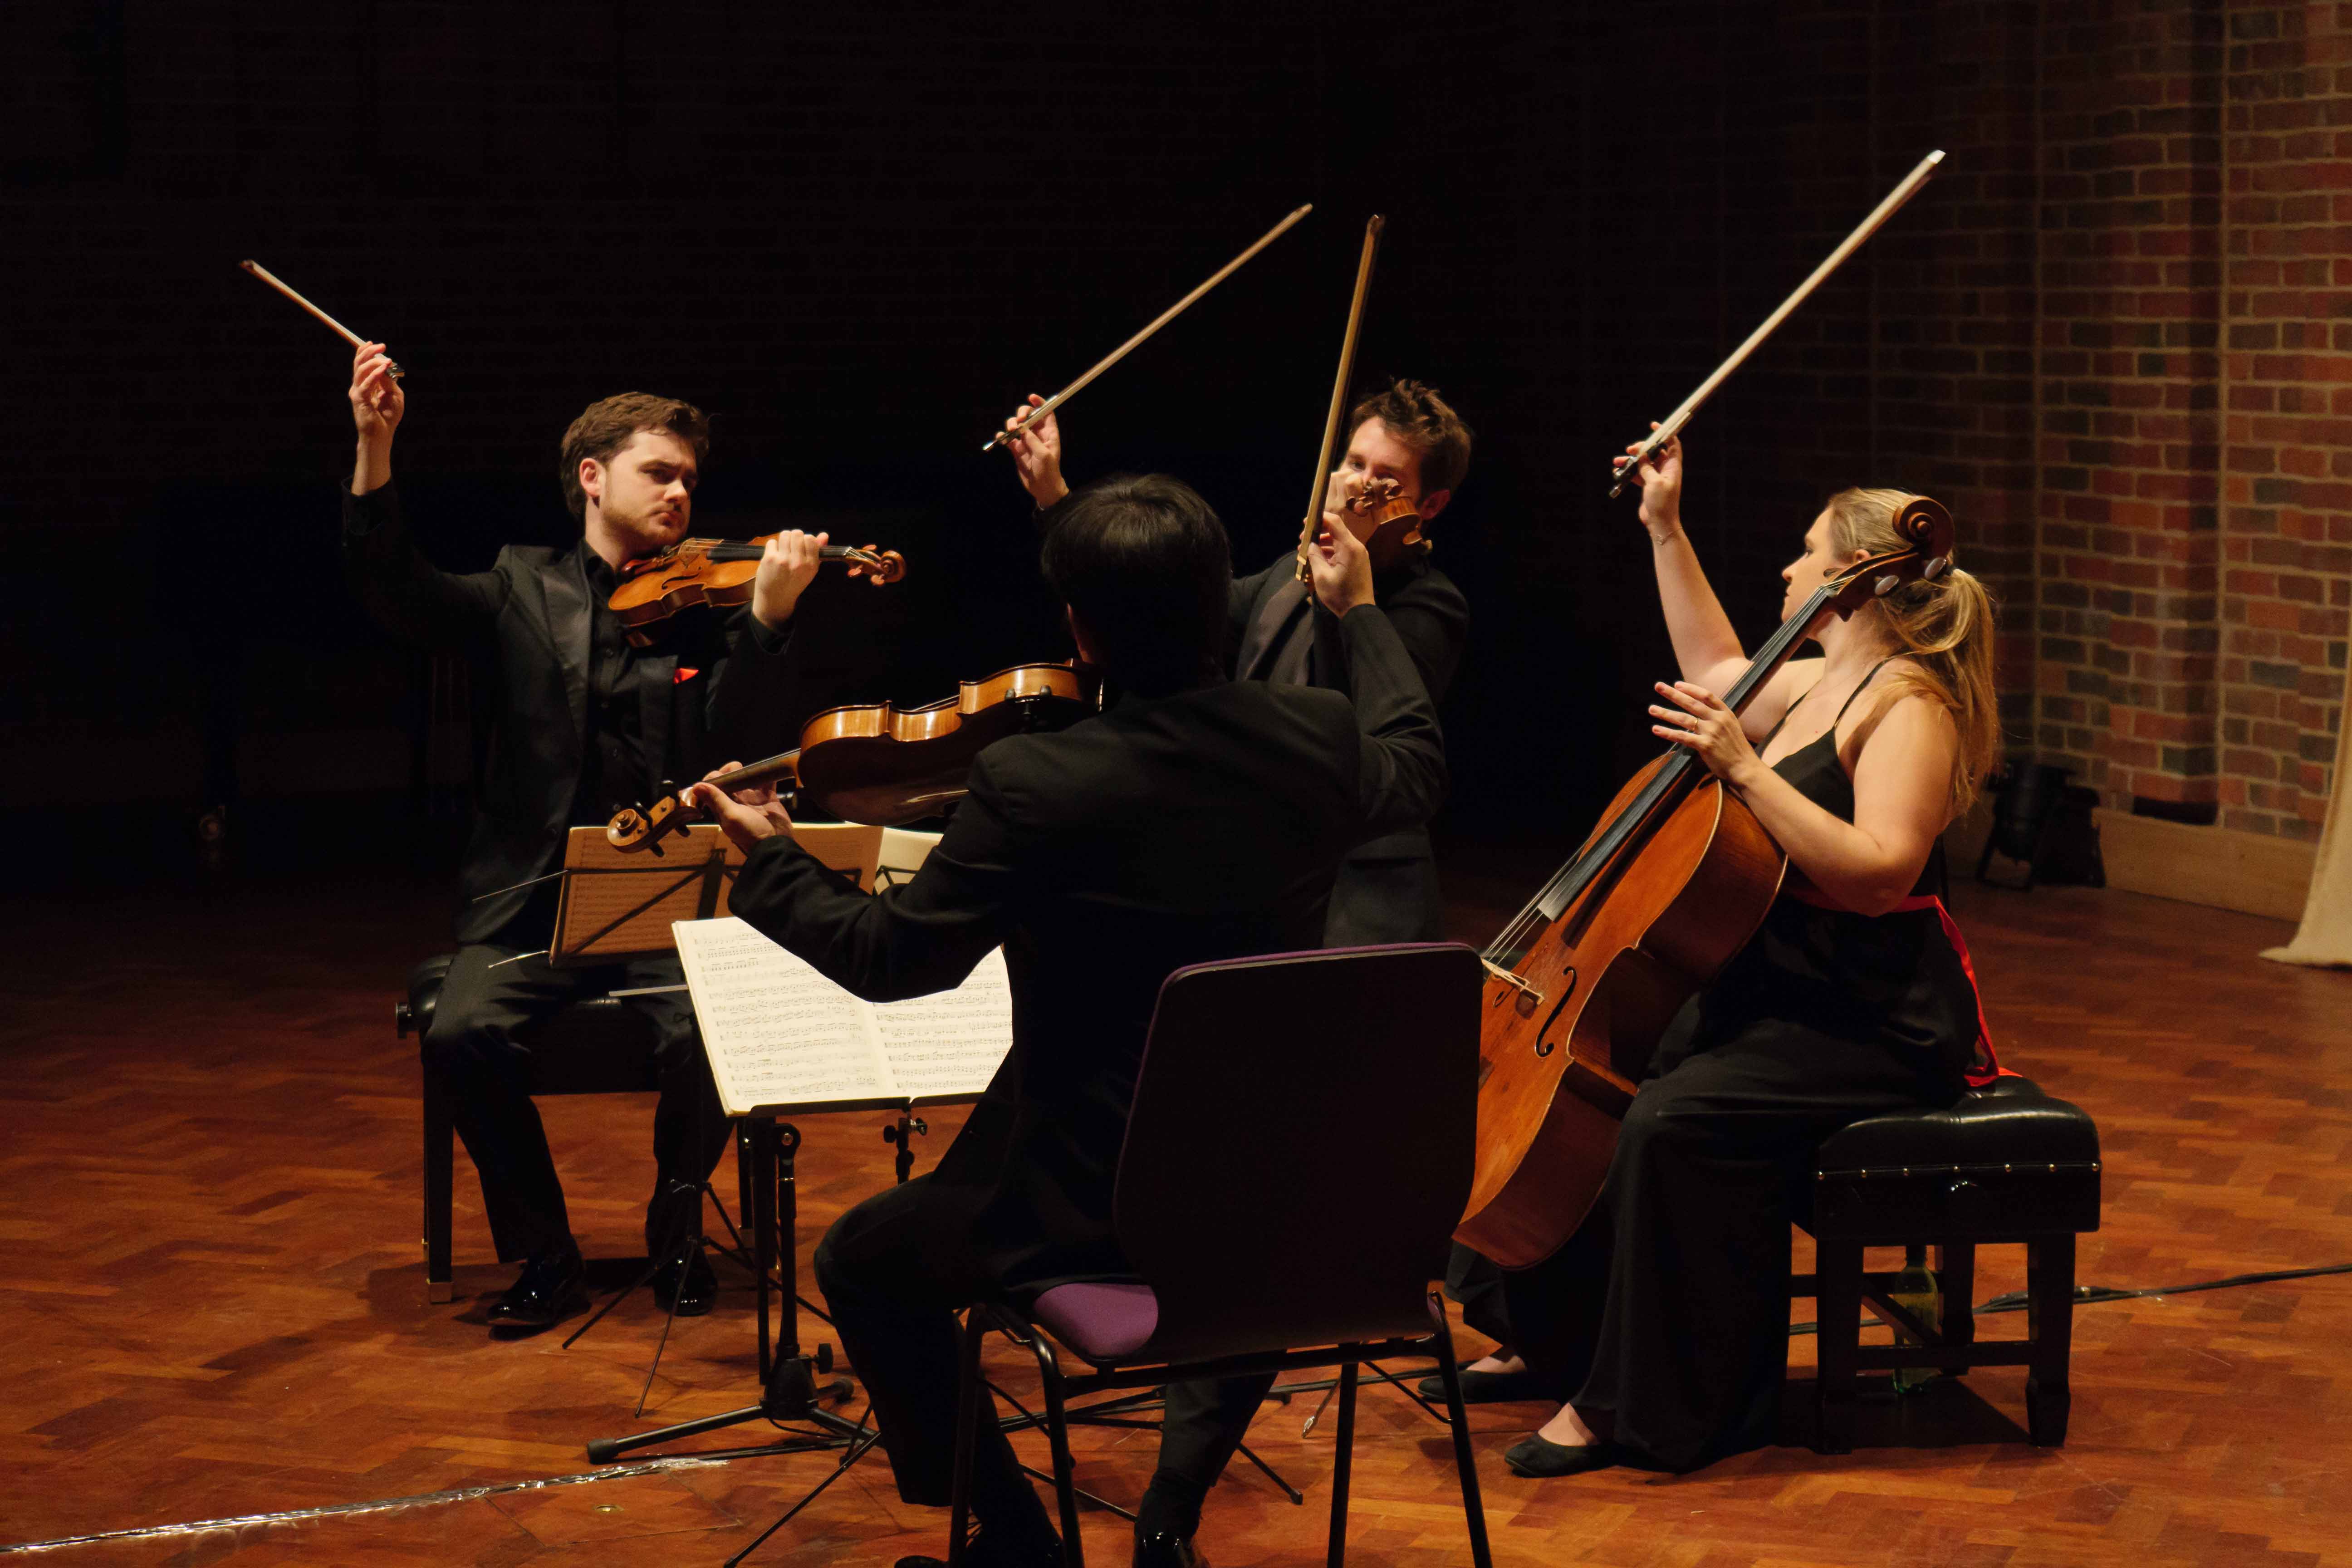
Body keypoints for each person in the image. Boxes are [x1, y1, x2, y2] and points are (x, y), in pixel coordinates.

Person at [689, 475, 1445, 1568]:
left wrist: (773, 866)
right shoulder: (1315, 737)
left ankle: (1014, 1541)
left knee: (862, 1258)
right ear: (1212, 607)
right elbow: (1415, 758)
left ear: (1079, 629)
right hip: (1280, 1200)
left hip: (1092, 1206)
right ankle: (1165, 1509)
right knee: (1229, 1274)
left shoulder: (1036, 779)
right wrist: (1359, 609)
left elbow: (890, 959)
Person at [1486, 428, 2001, 1478]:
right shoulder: (1812, 678)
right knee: (1614, 1085)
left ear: (1850, 582)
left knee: (1674, 1121)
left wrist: (1742, 769)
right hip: (1784, 992)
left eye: (1806, 551)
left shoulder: (1910, 705)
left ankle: (1659, 1404)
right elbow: (1717, 668)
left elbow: (1879, 873)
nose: (1787, 566)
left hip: (1868, 1019)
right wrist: (1663, 525)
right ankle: (1570, 1337)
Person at [341, 341, 816, 1333]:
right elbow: (399, 593)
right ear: (593, 478)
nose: (681, 493)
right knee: (462, 1029)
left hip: (676, 912)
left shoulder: (707, 606)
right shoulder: (522, 587)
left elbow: (741, 742)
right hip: (531, 907)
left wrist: (767, 620)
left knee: (716, 1035)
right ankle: (546, 1256)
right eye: (659, 471)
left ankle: (678, 1227)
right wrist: (375, 448)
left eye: (691, 478)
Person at [1000, 377, 1470, 942]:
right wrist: (1057, 498)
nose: (1354, 487)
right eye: (1352, 463)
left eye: (1385, 481)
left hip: (1356, 897)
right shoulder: (1288, 571)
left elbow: (1359, 728)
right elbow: (1175, 602)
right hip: (1261, 875)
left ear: (1431, 504)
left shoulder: (1428, 605)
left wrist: (1348, 600)